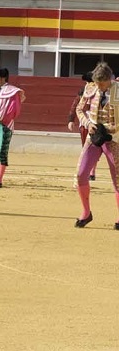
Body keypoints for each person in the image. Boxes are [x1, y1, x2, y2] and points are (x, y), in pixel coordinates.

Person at [74, 63, 119, 229]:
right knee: (81, 174)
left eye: (102, 83)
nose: (99, 87)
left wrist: (114, 130)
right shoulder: (91, 88)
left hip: (114, 139)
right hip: (94, 137)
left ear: (110, 80)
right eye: (97, 83)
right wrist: (87, 123)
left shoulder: (118, 90)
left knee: (118, 180)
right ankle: (86, 212)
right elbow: (80, 110)